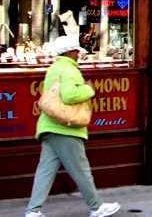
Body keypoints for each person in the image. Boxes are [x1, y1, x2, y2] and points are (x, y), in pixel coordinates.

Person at [25, 35, 120, 217]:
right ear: (69, 52)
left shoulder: (54, 68)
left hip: (49, 126)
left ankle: (33, 211)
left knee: (45, 171)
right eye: (76, 51)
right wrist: (89, 89)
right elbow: (69, 96)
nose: (78, 54)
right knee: (81, 170)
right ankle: (96, 207)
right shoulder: (69, 69)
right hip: (65, 128)